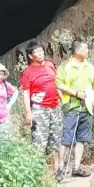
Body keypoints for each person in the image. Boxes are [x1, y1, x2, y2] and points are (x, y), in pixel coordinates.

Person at [56, 38, 94, 180]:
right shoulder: (66, 66)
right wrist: (76, 93)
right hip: (71, 107)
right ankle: (60, 168)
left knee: (82, 138)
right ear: (77, 51)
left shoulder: (90, 67)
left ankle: (76, 167)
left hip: (86, 108)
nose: (88, 51)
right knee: (66, 139)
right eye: (86, 48)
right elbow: (59, 84)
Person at [20, 40, 63, 179]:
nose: (40, 53)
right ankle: (39, 175)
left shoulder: (50, 65)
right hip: (39, 110)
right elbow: (26, 93)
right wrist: (28, 112)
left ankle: (57, 171)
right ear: (31, 56)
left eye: (41, 51)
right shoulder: (27, 72)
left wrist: (62, 100)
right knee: (39, 143)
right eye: (37, 52)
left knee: (56, 140)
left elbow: (56, 83)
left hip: (55, 107)